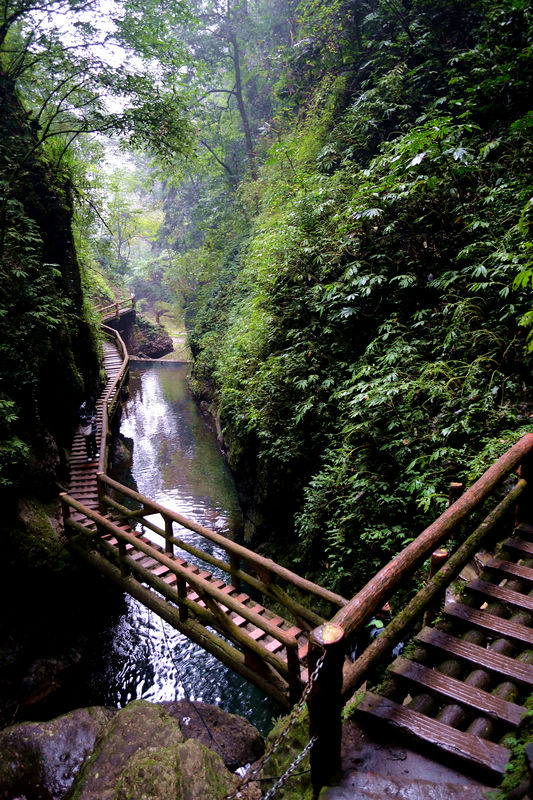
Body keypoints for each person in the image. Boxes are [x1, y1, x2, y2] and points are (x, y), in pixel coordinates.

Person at [79, 396, 99, 462]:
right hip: (86, 426)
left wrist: (94, 417)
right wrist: (83, 417)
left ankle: (96, 452)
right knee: (87, 441)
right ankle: (89, 455)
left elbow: (96, 413)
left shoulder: (94, 407)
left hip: (92, 426)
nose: (91, 406)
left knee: (93, 440)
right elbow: (80, 416)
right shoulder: (82, 408)